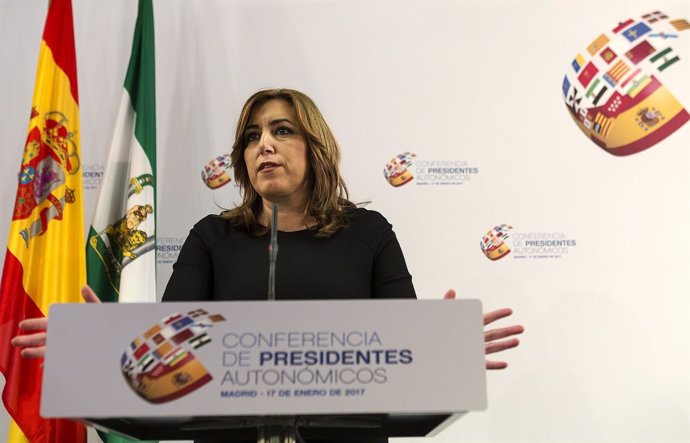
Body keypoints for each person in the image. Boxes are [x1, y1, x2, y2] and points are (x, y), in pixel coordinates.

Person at [13, 88, 523, 365]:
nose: (265, 145)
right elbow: (168, 346)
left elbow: (403, 347)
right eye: (253, 137)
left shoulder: (369, 232)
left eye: (282, 131)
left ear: (316, 148)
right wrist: (97, 343)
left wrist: (446, 351)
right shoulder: (211, 238)